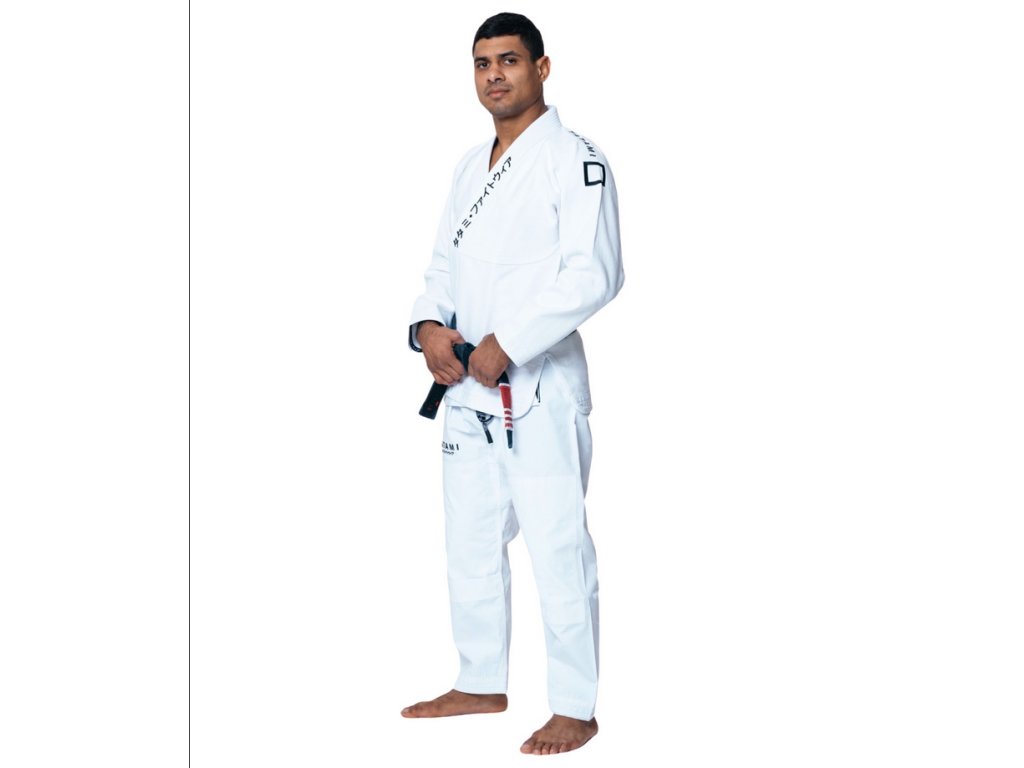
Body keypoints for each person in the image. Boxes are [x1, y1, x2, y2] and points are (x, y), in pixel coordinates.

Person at [402, 12, 624, 756]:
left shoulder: (576, 160)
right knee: (468, 540)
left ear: (542, 68)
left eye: (509, 60)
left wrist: (510, 341)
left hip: (538, 386)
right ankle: (479, 680)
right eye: (482, 63)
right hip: (466, 384)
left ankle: (575, 706)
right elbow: (442, 267)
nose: (494, 75)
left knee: (558, 546)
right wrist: (428, 328)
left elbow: (594, 274)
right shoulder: (471, 165)